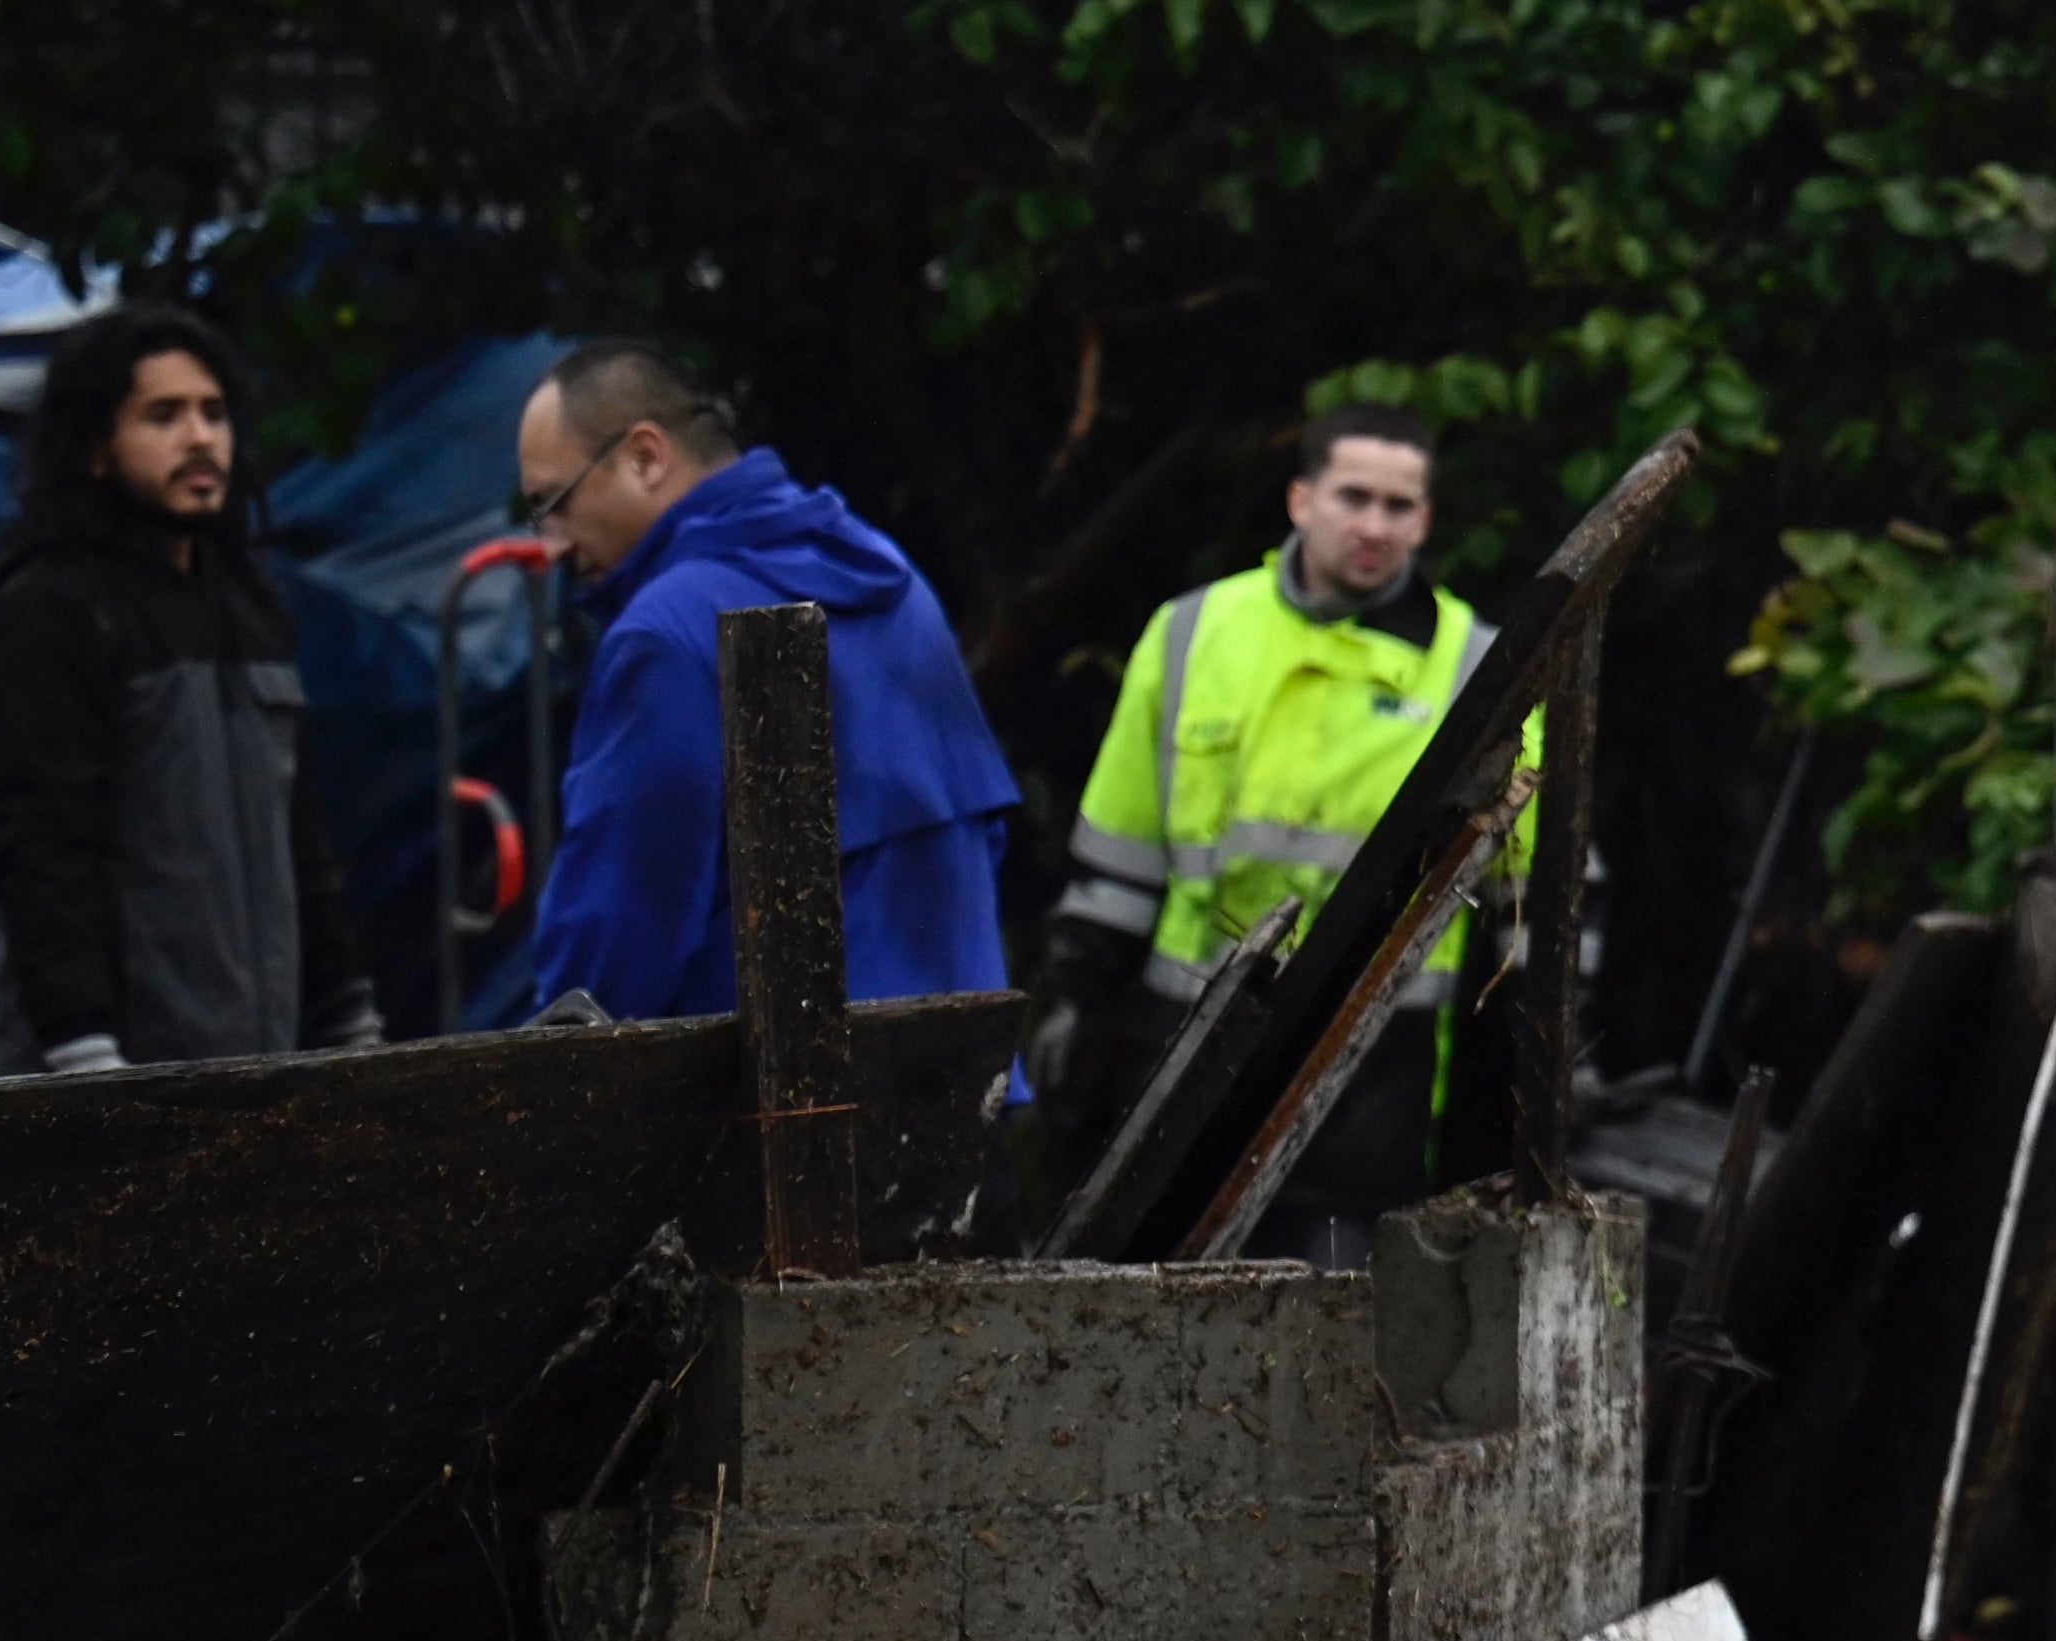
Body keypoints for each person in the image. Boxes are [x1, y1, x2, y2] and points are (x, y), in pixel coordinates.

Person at [1039, 404, 1527, 1262]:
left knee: (1324, 1341)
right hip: (1185, 1048)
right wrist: (1076, 997)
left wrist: (1543, 1061)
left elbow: (1529, 895)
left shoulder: (1481, 669)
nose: (1374, 525)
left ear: (1427, 520)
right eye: (1354, 497)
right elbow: (1120, 852)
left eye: (1398, 505)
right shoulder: (1193, 633)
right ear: (1301, 500)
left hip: (1375, 1076)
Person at [512, 339, 1014, 1022]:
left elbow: (614, 942)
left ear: (646, 457)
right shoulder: (889, 576)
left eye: (554, 503)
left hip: (781, 1109)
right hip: (956, 1082)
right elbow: (980, 839)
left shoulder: (665, 635)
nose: (552, 545)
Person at [0, 303, 379, 1074]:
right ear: (94, 447)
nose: (200, 438)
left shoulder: (249, 610)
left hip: (258, 1073)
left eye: (214, 414)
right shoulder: (45, 616)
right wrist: (82, 1053)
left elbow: (300, 841)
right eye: (164, 414)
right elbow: (40, 855)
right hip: (101, 1083)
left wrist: (345, 1016)